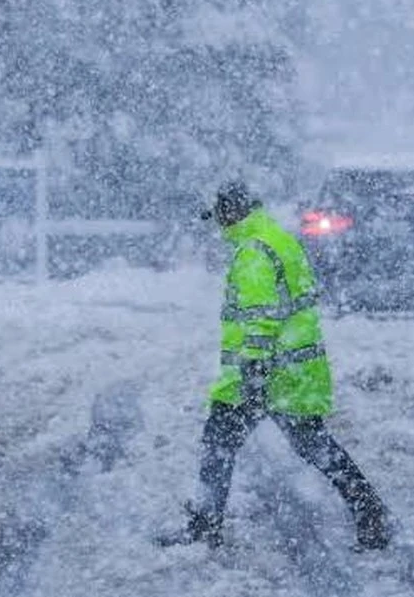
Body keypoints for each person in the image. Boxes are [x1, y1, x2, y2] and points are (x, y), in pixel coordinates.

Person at [156, 179, 391, 551]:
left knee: (218, 444)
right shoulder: (278, 239)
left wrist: (253, 376)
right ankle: (371, 513)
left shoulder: (252, 252)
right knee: (313, 445)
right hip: (294, 371)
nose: (218, 226)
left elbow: (261, 321)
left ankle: (204, 528)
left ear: (232, 212)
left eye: (219, 217)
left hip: (262, 373)